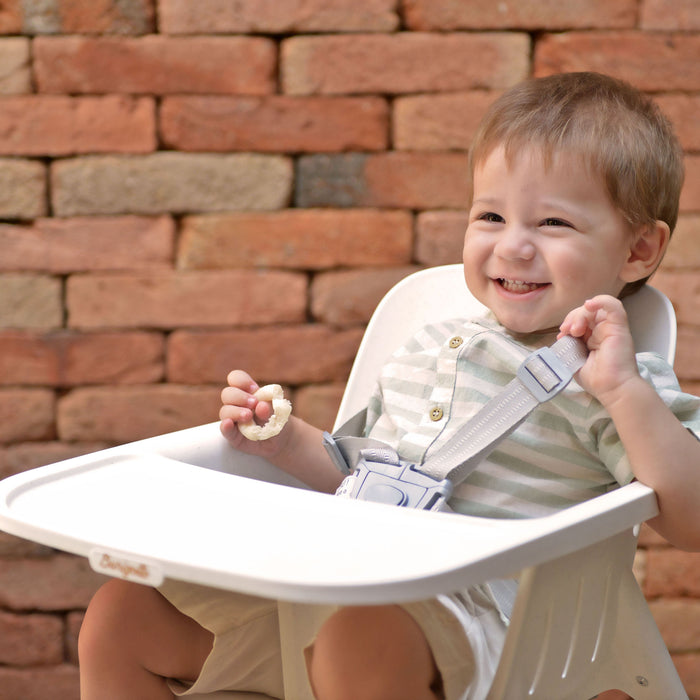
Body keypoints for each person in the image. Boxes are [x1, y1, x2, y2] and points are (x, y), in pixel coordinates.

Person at [78, 71, 700, 700]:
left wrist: (623, 392)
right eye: (490, 215)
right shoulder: (427, 348)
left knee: (360, 638)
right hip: (339, 581)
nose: (512, 246)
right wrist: (285, 444)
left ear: (637, 250)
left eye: (553, 222)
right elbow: (371, 483)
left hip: (493, 623)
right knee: (121, 617)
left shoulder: (615, 376)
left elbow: (693, 521)